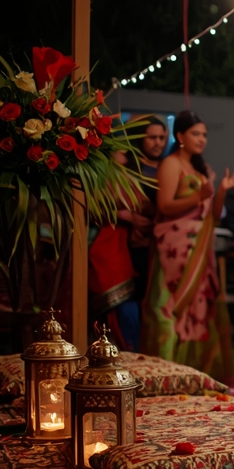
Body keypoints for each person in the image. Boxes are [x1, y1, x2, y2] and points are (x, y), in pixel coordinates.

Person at [142, 110, 234, 380]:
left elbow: (214, 215)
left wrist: (220, 192)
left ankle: (195, 375)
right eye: (196, 133)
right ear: (180, 136)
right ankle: (167, 374)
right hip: (175, 248)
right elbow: (165, 206)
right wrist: (199, 194)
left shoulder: (202, 169)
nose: (202, 139)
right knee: (174, 309)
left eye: (205, 134)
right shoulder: (171, 164)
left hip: (200, 247)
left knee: (198, 314)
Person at [88, 150, 143, 350]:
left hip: (124, 246)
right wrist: (124, 215)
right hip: (102, 245)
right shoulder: (95, 174)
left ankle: (126, 353)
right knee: (111, 308)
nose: (124, 153)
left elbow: (142, 205)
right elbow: (91, 207)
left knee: (127, 310)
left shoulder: (128, 176)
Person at [130, 118, 167, 305]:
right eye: (152, 137)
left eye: (162, 138)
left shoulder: (168, 167)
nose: (158, 143)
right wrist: (129, 217)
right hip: (132, 243)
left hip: (161, 242)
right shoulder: (129, 167)